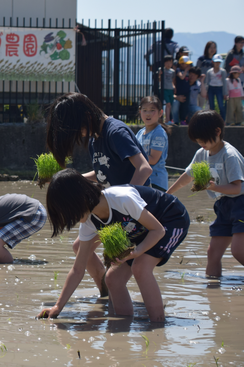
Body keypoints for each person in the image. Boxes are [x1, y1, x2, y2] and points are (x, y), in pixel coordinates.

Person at [38, 169, 189, 322]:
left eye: (69, 213)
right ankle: (123, 325)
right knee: (113, 278)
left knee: (140, 267)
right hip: (140, 231)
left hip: (170, 219)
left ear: (78, 199)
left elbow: (158, 230)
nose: (73, 219)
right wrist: (57, 307)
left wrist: (138, 251)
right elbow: (78, 269)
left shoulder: (121, 199)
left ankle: (158, 325)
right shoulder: (90, 222)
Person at [45, 92, 152, 295]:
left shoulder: (115, 132)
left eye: (78, 129)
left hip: (130, 209)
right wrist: (73, 181)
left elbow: (144, 169)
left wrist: (127, 205)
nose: (80, 134)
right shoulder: (96, 137)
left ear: (86, 116)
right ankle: (106, 294)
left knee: (121, 268)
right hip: (114, 209)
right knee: (80, 248)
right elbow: (103, 173)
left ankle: (115, 296)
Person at [167, 110, 244, 277]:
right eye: (197, 140)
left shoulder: (229, 155)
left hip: (241, 203)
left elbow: (237, 188)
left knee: (238, 251)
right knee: (212, 253)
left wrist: (212, 187)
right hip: (223, 205)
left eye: (203, 139)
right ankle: (213, 293)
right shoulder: (201, 154)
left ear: (217, 132)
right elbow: (187, 176)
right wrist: (168, 194)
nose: (200, 142)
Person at [136, 96, 169, 191]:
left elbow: (154, 159)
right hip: (143, 180)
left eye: (152, 110)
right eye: (145, 110)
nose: (148, 114)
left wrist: (133, 158)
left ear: (160, 113)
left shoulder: (158, 132)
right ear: (140, 111)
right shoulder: (140, 132)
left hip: (156, 182)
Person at [144, 28, 178, 97]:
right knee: (169, 85)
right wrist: (174, 64)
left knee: (157, 86)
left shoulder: (156, 44)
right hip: (169, 67)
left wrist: (149, 65)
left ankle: (157, 102)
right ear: (172, 36)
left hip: (157, 66)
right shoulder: (174, 45)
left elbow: (146, 55)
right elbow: (177, 54)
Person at [205, 54, 229, 120]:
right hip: (211, 88)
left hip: (219, 88)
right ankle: (212, 120)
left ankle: (223, 120)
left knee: (221, 105)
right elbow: (207, 82)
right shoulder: (209, 71)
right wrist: (206, 92)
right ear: (213, 62)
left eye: (219, 62)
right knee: (211, 106)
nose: (217, 64)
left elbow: (224, 82)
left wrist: (225, 93)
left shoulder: (223, 71)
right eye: (216, 62)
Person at [197, 41, 217, 109]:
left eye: (214, 47)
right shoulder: (201, 59)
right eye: (211, 47)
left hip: (212, 84)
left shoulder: (216, 60)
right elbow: (197, 70)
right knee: (200, 104)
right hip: (201, 83)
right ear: (207, 48)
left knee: (209, 105)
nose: (212, 49)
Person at [174, 56, 192, 124]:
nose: (188, 65)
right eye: (186, 64)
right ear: (181, 64)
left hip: (187, 91)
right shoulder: (178, 70)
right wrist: (186, 70)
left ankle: (183, 120)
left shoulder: (188, 71)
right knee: (179, 106)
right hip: (180, 92)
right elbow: (182, 77)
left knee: (185, 107)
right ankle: (176, 120)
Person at [159, 55, 176, 124]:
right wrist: (159, 75)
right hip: (164, 88)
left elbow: (173, 80)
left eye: (170, 62)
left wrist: (174, 87)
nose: (169, 64)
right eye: (167, 62)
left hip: (170, 89)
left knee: (170, 105)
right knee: (168, 104)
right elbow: (159, 80)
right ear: (164, 63)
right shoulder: (161, 70)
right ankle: (167, 120)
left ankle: (168, 119)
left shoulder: (172, 71)